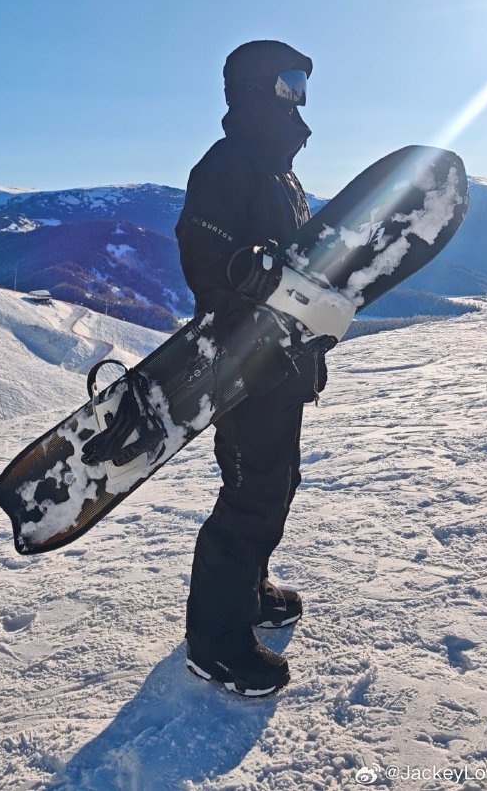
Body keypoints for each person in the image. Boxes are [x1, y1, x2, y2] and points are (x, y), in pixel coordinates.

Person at [174, 39, 328, 696]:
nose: (299, 94)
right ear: (257, 87)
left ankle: (250, 588)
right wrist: (246, 276)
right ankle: (215, 643)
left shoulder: (275, 171)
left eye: (303, 80)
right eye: (289, 81)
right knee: (249, 494)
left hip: (282, 359)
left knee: (277, 482)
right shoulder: (228, 165)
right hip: (242, 362)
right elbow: (203, 258)